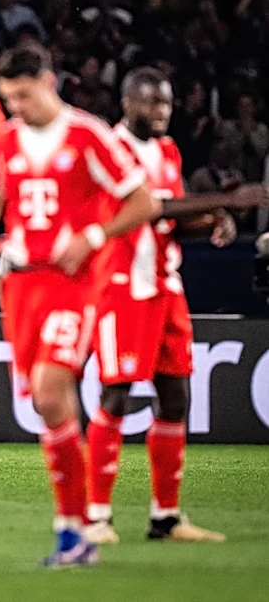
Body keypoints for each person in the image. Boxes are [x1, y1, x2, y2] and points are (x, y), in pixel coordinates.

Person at [0, 44, 157, 567]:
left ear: (49, 82)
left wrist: (93, 236)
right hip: (20, 284)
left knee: (50, 392)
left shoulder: (89, 135)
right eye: (9, 99)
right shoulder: (5, 141)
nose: (16, 107)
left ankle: (76, 527)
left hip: (72, 283)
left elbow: (144, 201)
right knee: (48, 407)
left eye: (23, 96)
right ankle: (76, 532)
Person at [85, 67, 269, 544]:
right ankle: (96, 517)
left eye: (166, 102)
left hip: (166, 287)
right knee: (116, 394)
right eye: (152, 102)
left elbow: (171, 218)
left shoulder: (167, 151)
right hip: (123, 286)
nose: (162, 111)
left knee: (175, 396)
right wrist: (229, 199)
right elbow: (149, 208)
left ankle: (165, 517)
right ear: (128, 103)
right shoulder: (111, 150)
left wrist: (212, 219)